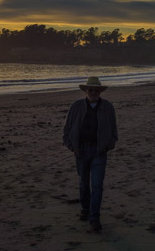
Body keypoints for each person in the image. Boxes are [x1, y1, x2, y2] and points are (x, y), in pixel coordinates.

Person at [63, 76, 118, 231]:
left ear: (100, 91)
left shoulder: (108, 107)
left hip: (100, 152)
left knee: (97, 185)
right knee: (83, 185)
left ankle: (94, 218)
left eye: (96, 90)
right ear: (86, 91)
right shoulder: (76, 106)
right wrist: (72, 147)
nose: (93, 92)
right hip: (81, 151)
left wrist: (109, 145)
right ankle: (85, 209)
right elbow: (67, 129)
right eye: (90, 89)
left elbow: (114, 131)